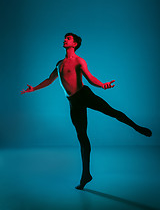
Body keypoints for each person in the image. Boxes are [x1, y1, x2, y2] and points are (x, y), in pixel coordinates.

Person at [21, 33, 152, 190]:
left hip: (84, 95)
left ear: (74, 44)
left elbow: (90, 77)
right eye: (65, 38)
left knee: (112, 112)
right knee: (82, 137)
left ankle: (136, 126)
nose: (65, 40)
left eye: (68, 38)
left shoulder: (79, 61)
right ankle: (86, 175)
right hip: (73, 103)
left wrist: (103, 85)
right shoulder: (59, 63)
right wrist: (34, 88)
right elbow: (50, 80)